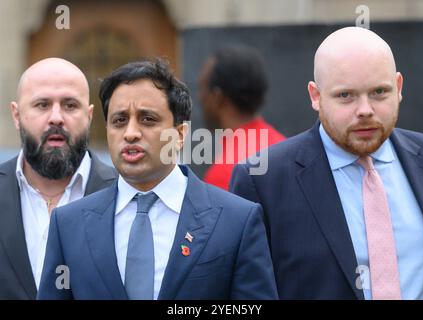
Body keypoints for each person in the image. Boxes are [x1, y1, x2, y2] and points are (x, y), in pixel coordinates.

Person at [37, 59, 278, 300]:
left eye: (147, 119)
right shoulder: (68, 224)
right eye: (119, 120)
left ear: (180, 134)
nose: (131, 133)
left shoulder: (237, 221)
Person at [230, 27, 423, 300]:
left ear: (399, 88)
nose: (365, 110)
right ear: (315, 96)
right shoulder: (263, 179)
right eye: (345, 95)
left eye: (379, 92)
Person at [0, 58, 117, 299]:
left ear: (89, 115)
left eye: (70, 105)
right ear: (16, 114)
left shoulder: (124, 194)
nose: (56, 118)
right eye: (42, 105)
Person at [198, 45, 285, 190]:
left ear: (217, 97)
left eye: (202, 88)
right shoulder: (284, 147)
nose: (200, 98)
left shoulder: (224, 173)